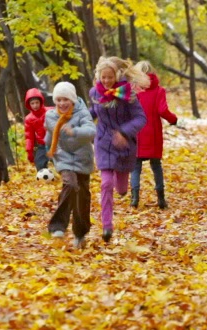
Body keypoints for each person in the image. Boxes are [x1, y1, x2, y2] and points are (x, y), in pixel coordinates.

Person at [88, 56, 149, 242]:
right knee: (106, 183)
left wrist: (124, 132)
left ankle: (122, 185)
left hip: (124, 146)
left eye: (110, 77)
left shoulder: (128, 95)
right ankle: (107, 226)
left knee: (121, 189)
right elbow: (92, 112)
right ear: (99, 77)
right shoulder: (95, 94)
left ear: (116, 76)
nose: (106, 81)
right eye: (103, 77)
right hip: (104, 142)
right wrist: (76, 120)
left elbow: (141, 118)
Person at [44, 82, 96, 249]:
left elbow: (91, 131)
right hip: (64, 157)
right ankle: (57, 226)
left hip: (83, 159)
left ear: (72, 100)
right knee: (70, 184)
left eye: (65, 99)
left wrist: (75, 131)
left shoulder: (82, 113)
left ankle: (80, 233)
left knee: (83, 197)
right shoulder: (51, 116)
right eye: (58, 99)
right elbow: (54, 136)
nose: (62, 103)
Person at [130, 61, 178, 209]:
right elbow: (163, 110)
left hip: (136, 133)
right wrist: (173, 119)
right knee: (156, 166)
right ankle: (161, 198)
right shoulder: (159, 90)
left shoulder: (133, 91)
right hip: (153, 134)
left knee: (135, 166)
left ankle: (135, 198)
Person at [24, 88, 52, 171]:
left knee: (60, 161)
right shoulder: (29, 119)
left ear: (41, 102)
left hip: (55, 142)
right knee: (39, 163)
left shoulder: (50, 111)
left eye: (37, 102)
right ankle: (45, 180)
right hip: (42, 145)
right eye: (32, 103)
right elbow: (29, 136)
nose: (35, 105)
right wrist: (29, 151)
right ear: (29, 105)